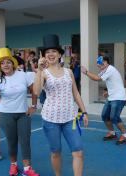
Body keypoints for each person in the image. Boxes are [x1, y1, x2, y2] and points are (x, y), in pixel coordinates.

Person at [33, 34, 88, 176]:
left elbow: (76, 93)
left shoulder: (68, 71)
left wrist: (84, 112)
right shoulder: (43, 73)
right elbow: (37, 92)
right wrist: (38, 70)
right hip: (51, 120)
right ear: (44, 56)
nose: (51, 54)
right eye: (47, 52)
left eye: (54, 51)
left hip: (71, 118)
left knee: (79, 152)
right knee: (56, 153)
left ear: (59, 54)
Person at [0, 47, 39, 176]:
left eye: (8, 62)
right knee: (11, 141)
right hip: (5, 115)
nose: (5, 65)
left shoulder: (24, 75)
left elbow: (34, 90)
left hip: (23, 114)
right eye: (2, 63)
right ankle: (13, 165)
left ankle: (27, 168)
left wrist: (34, 106)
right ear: (0, 67)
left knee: (25, 141)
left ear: (13, 63)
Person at [81, 55, 126, 145]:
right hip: (112, 97)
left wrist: (86, 72)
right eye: (98, 63)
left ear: (107, 62)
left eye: (101, 63)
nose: (100, 65)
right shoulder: (104, 70)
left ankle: (125, 136)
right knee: (104, 115)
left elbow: (97, 79)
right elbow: (110, 81)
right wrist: (108, 91)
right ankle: (112, 133)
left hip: (119, 97)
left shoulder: (110, 69)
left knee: (114, 117)